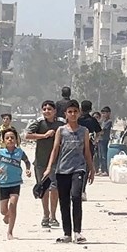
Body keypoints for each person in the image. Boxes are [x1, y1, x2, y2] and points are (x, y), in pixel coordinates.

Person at [44, 100, 96, 244]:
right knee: (64, 201)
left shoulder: (84, 131)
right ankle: (67, 234)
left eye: (75, 111)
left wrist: (91, 169)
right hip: (62, 170)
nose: (73, 114)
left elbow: (87, 151)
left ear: (79, 113)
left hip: (78, 169)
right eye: (70, 112)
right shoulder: (61, 131)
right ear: (65, 114)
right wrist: (49, 168)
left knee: (76, 197)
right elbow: (55, 150)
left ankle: (77, 232)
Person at [25, 100, 63, 230]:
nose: (47, 111)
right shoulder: (39, 123)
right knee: (44, 189)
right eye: (44, 109)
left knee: (55, 189)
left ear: (55, 111)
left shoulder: (61, 124)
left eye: (49, 109)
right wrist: (44, 135)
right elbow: (27, 135)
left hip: (57, 162)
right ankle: (46, 215)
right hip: (41, 162)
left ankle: (53, 216)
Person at [0, 128, 31, 240]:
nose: (10, 139)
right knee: (3, 210)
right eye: (7, 138)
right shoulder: (0, 153)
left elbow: (27, 161)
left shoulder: (20, 152)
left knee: (13, 205)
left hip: (15, 183)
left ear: (16, 139)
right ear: (3, 140)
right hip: (3, 183)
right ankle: (7, 215)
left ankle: (10, 232)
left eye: (12, 138)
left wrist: (28, 170)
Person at [97, 107, 114, 175]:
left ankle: (105, 170)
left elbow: (103, 130)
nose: (103, 115)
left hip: (104, 139)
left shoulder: (109, 122)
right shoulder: (103, 122)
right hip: (100, 139)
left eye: (104, 113)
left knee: (104, 155)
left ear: (108, 113)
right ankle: (101, 169)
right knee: (100, 155)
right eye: (102, 113)